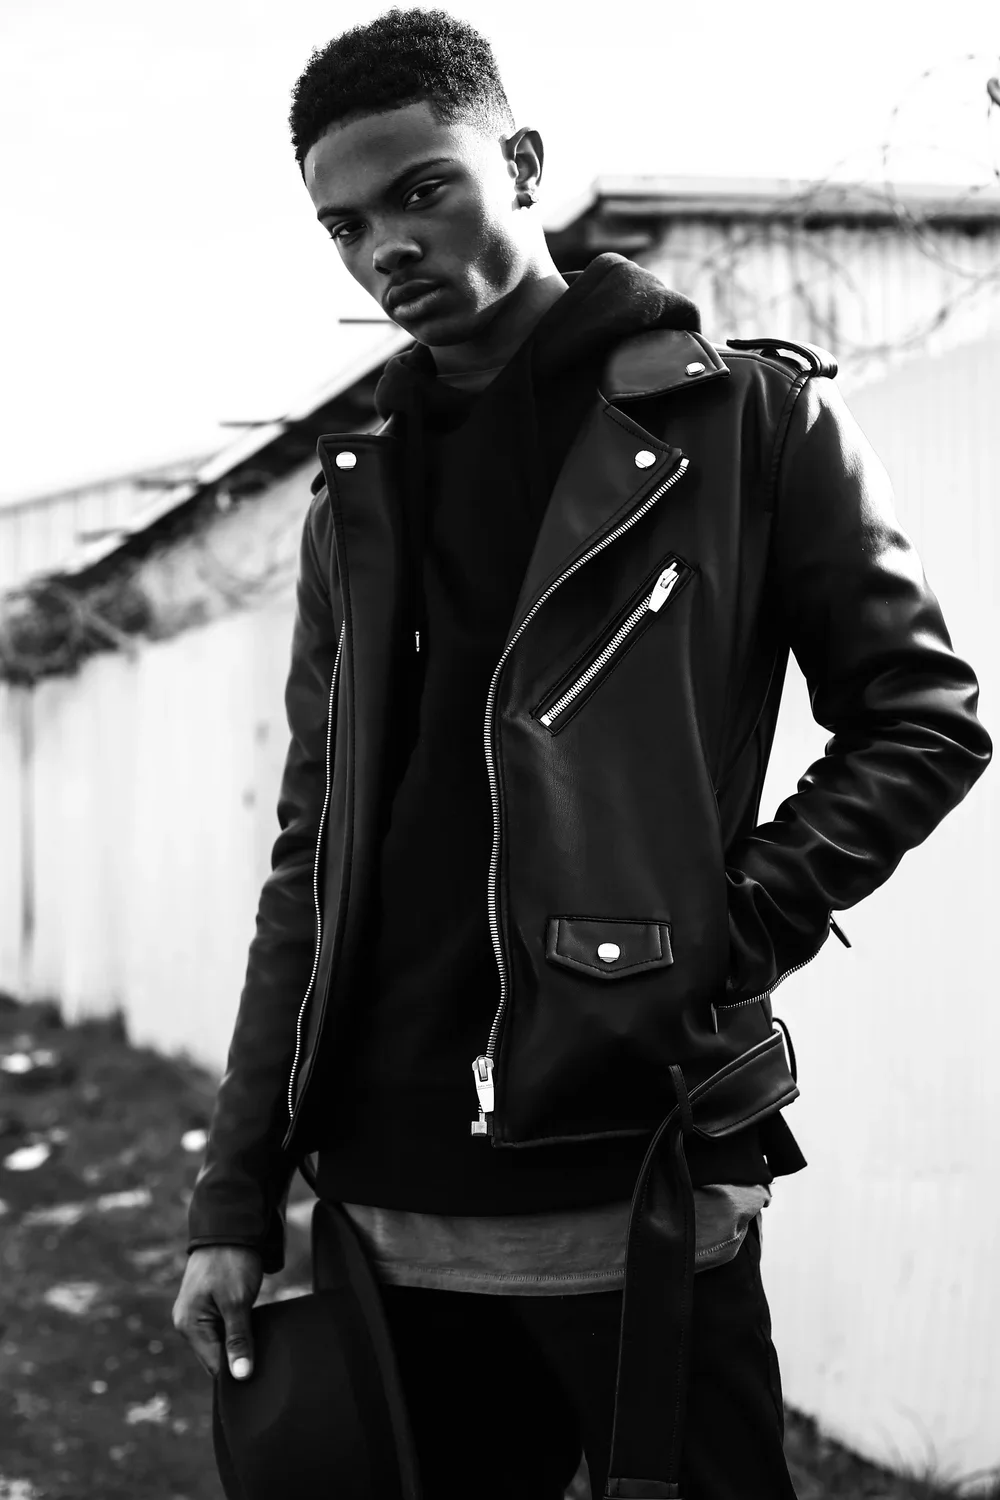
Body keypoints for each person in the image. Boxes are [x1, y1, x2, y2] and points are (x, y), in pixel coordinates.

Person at [171, 9, 992, 1498]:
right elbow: (314, 855)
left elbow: (924, 713)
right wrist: (234, 1191)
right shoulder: (354, 500)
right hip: (384, 1183)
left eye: (422, 191)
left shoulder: (746, 420)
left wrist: (723, 930)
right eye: (344, 227)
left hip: (635, 1159)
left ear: (524, 164)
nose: (385, 252)